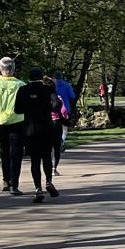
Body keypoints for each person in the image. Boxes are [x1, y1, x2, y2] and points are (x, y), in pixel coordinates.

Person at [14, 66, 60, 203]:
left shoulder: (23, 90)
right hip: (46, 127)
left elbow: (17, 110)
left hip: (30, 129)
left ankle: (38, 188)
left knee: (34, 160)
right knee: (46, 156)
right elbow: (55, 106)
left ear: (29, 77)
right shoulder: (48, 89)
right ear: (41, 77)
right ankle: (49, 182)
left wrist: (29, 106)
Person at [0, 56, 25, 195]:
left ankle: (6, 180)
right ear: (13, 69)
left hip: (0, 122)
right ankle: (14, 185)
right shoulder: (20, 85)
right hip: (16, 121)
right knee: (16, 154)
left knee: (4, 152)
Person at [52, 70, 76, 161]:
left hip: (54, 110)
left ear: (54, 76)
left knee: (54, 126)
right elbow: (72, 96)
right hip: (65, 109)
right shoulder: (67, 85)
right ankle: (62, 140)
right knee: (64, 128)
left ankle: (56, 142)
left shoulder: (51, 85)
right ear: (62, 76)